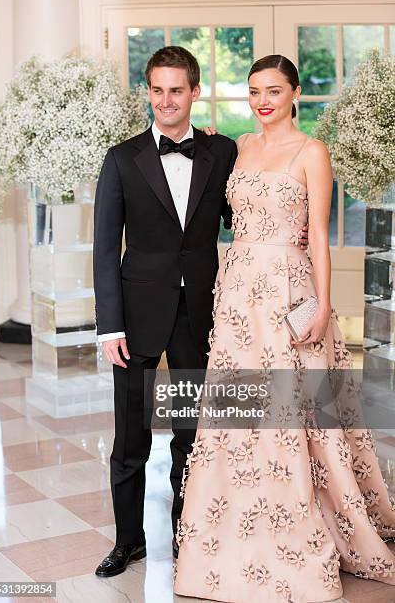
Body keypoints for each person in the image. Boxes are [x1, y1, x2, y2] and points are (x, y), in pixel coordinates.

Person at [174, 54, 395, 602]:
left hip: (286, 289)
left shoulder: (311, 151)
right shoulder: (241, 147)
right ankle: (231, 529)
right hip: (237, 291)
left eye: (274, 90)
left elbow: (317, 235)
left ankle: (298, 526)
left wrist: (322, 305)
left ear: (295, 93)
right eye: (254, 91)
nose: (263, 100)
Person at [92, 46, 309, 579]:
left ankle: (191, 534)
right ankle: (128, 541)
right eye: (158, 89)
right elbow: (104, 248)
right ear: (149, 92)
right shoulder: (121, 159)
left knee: (194, 434)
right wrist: (109, 325)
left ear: (194, 93)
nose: (167, 99)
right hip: (136, 320)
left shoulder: (222, 153)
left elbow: (253, 212)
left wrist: (292, 241)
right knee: (130, 438)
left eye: (177, 89)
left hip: (203, 314)